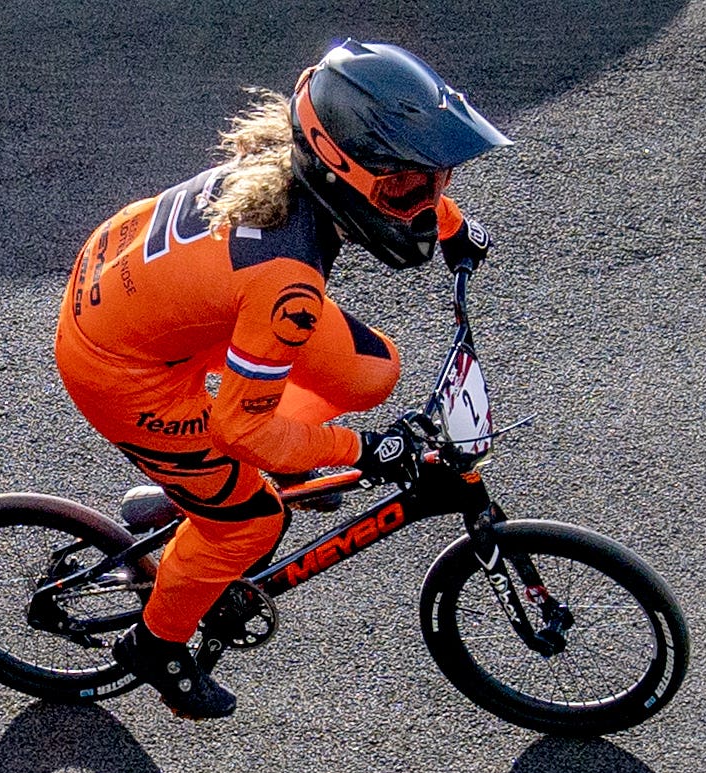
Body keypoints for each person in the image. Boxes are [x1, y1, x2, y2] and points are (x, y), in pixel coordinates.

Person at [55, 40, 508, 719]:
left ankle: (224, 481)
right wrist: (358, 452)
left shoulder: (298, 158)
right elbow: (239, 424)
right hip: (125, 370)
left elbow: (388, 182)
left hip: (165, 304)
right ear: (340, 166)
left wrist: (445, 223)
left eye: (433, 182)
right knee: (248, 522)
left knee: (371, 370)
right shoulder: (287, 288)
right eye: (408, 190)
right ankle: (155, 645)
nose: (424, 198)